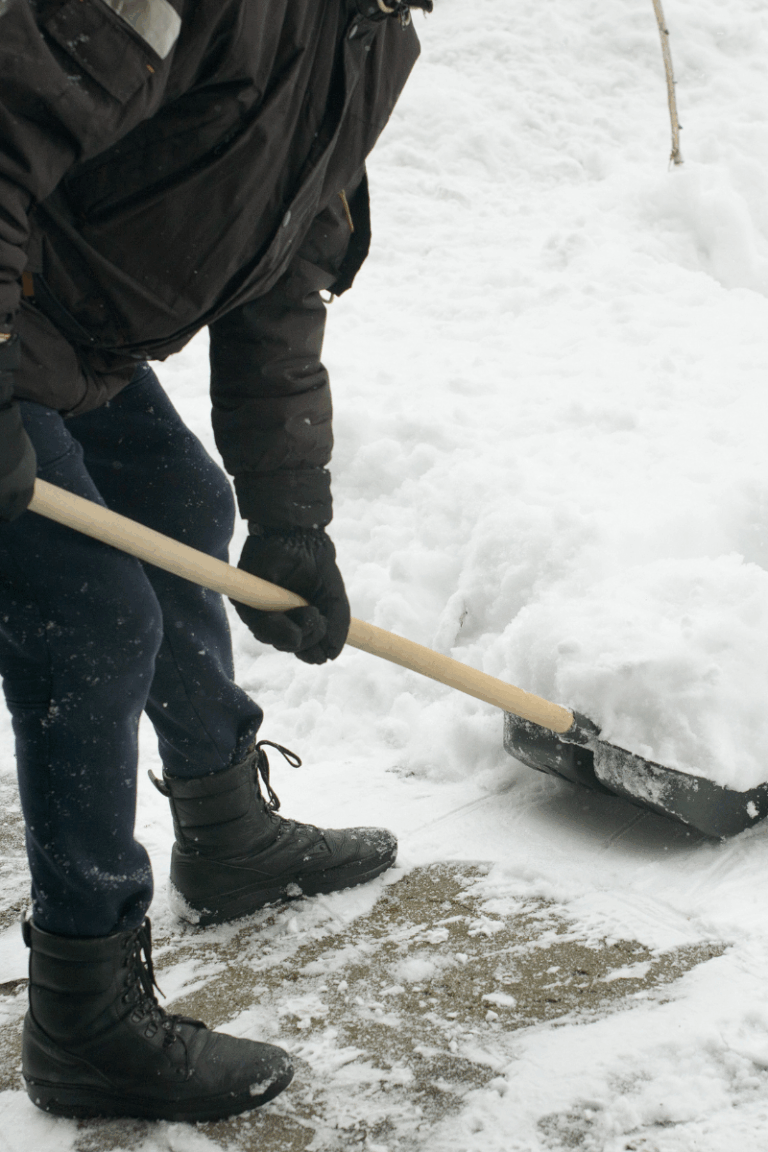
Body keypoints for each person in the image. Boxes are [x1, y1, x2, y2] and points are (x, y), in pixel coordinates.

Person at [0, 0, 431, 1123]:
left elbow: (285, 274)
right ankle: (84, 1019)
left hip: (73, 332)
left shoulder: (370, 37)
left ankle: (224, 826)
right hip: (13, 318)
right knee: (91, 616)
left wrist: (293, 517)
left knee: (184, 503)